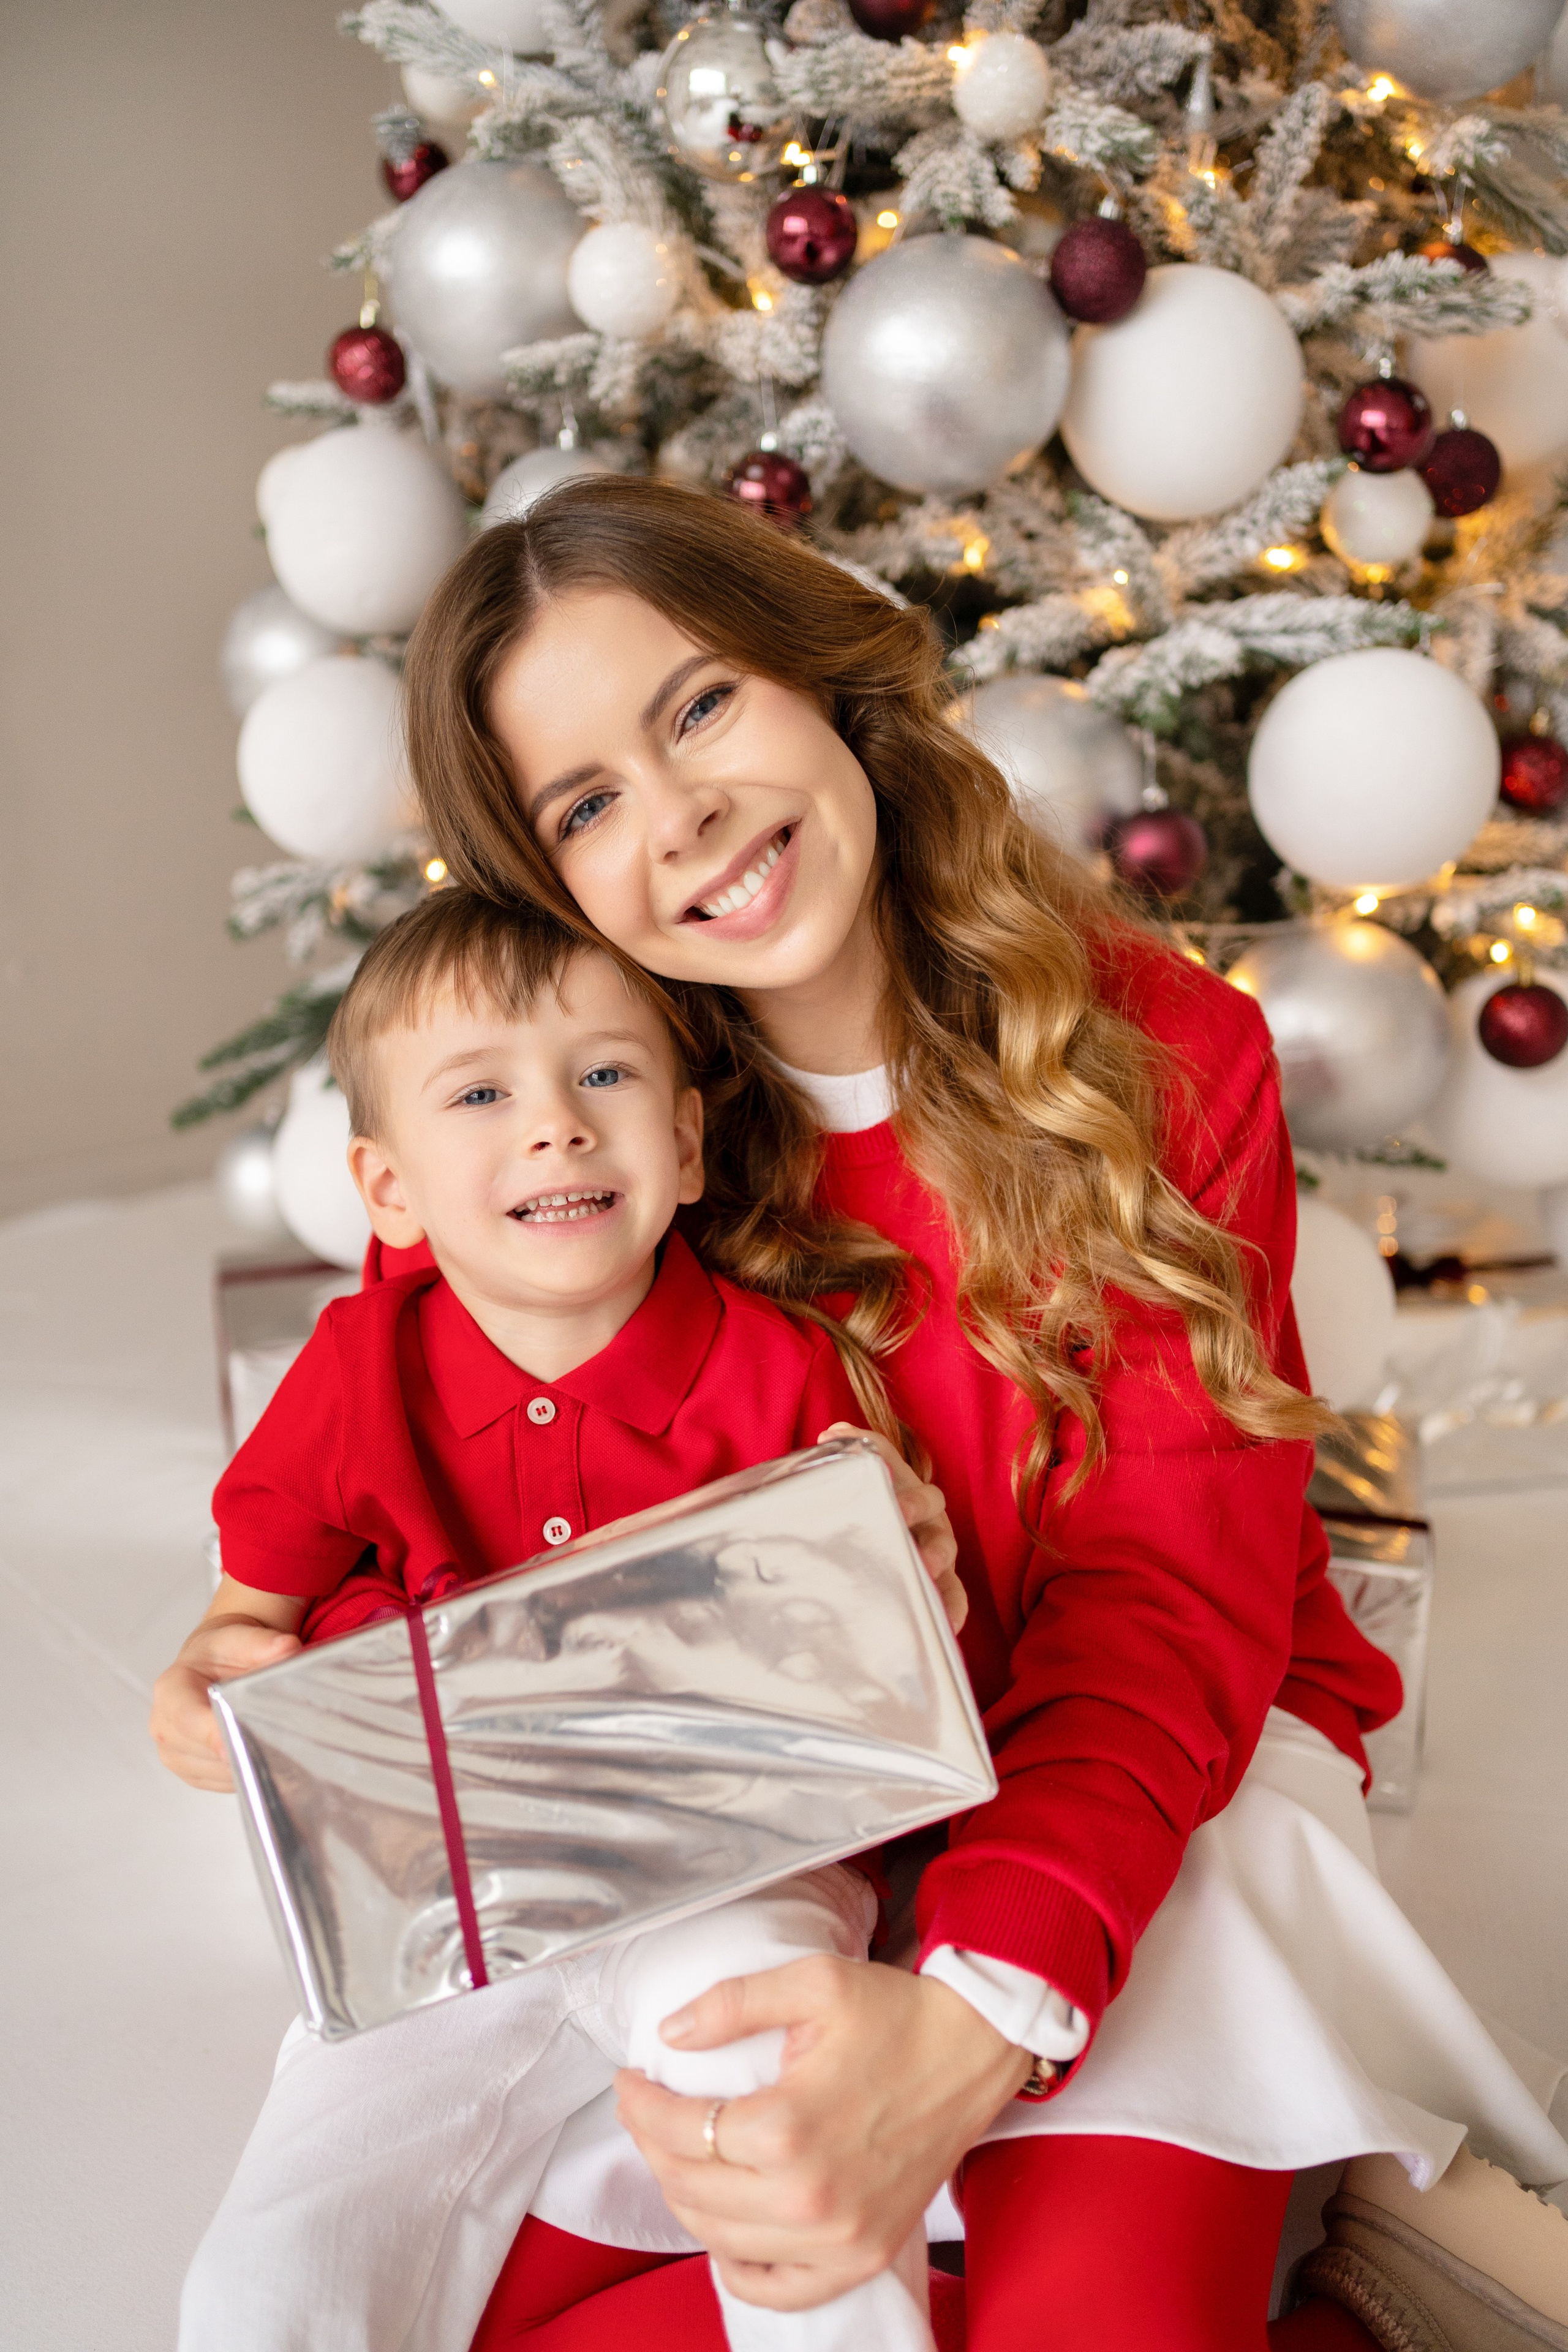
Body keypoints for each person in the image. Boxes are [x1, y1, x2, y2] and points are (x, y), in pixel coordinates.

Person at [393, 473, 1568, 2352]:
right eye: (589, 803)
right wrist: (267, 1624)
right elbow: (411, 1453)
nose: (681, 812)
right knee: (479, 2318)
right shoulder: (587, 1132)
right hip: (801, 1823)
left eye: (698, 706)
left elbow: (1167, 1604)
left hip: (1151, 1803)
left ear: (814, 673)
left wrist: (967, 2019)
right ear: (551, 886)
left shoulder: (1171, 1057)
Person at [152, 889, 970, 2352]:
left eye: (604, 1074)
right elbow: (241, 1617)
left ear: (688, 1140)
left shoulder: (785, 1375)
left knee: (779, 2110)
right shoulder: (357, 1366)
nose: (556, 1125)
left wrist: (889, 1555)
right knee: (268, 2276)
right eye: (481, 1093)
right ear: (386, 1189)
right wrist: (211, 1692)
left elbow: (870, 1655)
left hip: (732, 1863)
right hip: (451, 1904)